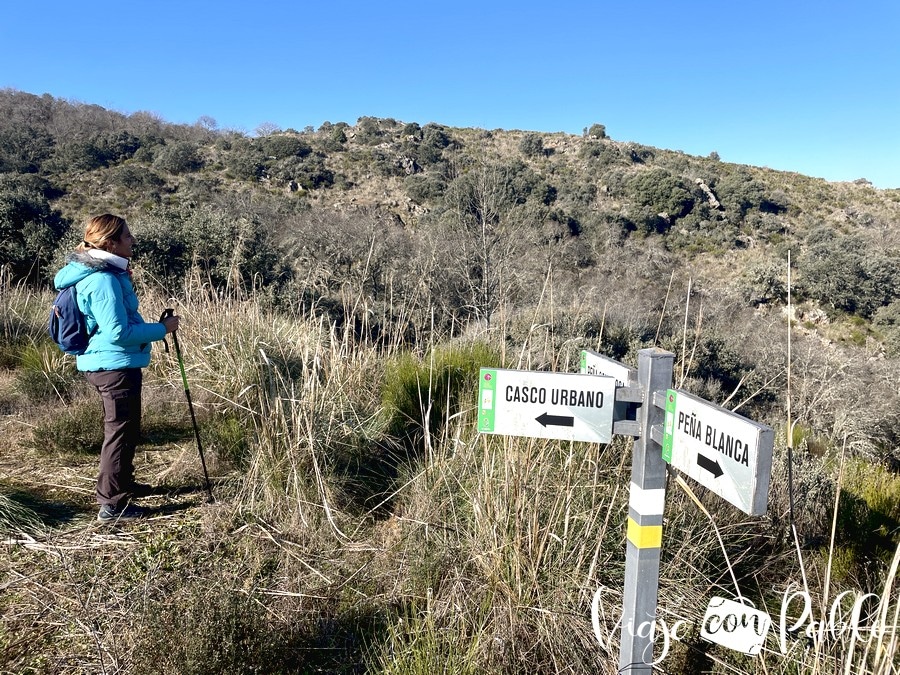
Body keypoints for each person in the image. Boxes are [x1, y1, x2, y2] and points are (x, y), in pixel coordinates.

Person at [53, 214, 180, 523]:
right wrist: (162, 329)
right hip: (113, 365)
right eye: (127, 237)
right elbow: (118, 333)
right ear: (110, 243)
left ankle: (123, 484)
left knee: (127, 427)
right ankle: (113, 505)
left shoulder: (101, 273)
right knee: (120, 432)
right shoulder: (103, 279)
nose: (132, 240)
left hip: (111, 364)